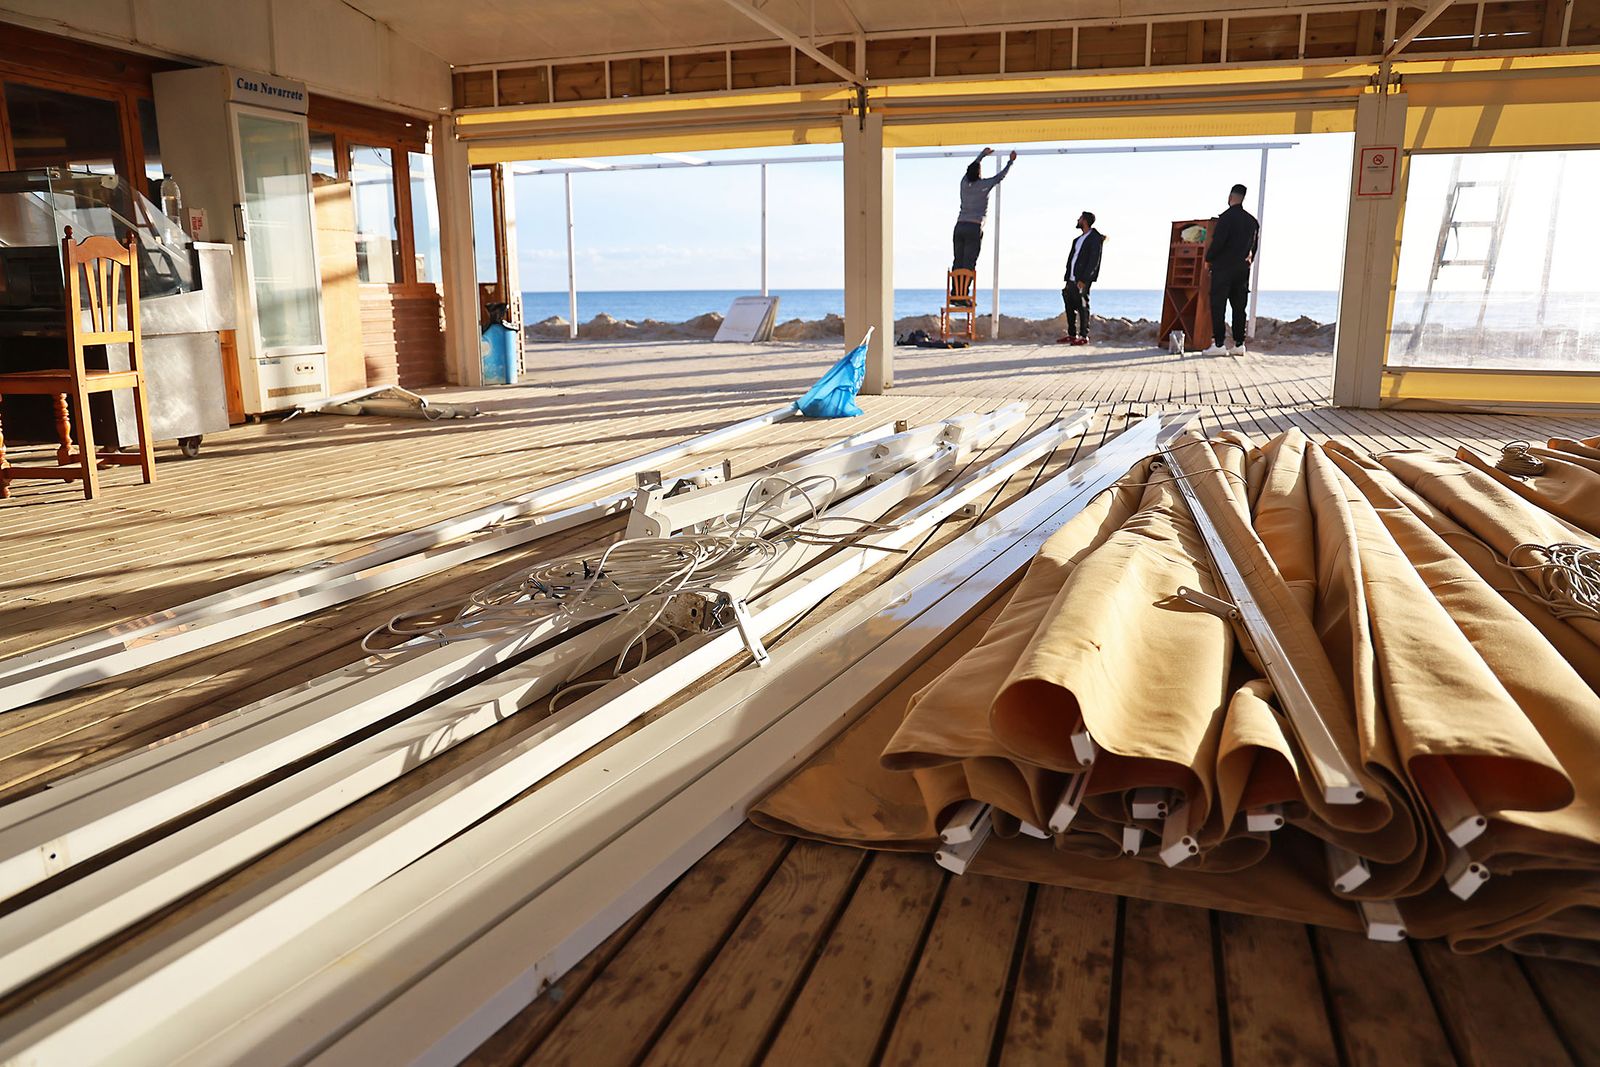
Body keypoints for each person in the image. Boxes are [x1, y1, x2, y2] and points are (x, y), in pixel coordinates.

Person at [1203, 183, 1260, 356]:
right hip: (1242, 270)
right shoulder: (1252, 222)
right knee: (1239, 307)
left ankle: (1219, 344)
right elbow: (1254, 247)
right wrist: (1248, 261)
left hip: (1223, 268)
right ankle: (1239, 344)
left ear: (1230, 197)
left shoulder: (1226, 218)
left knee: (1218, 305)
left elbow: (1218, 242)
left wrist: (1208, 259)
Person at [951, 147, 1016, 279]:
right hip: (973, 227)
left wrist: (982, 155)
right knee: (969, 262)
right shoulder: (984, 185)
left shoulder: (963, 183)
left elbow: (972, 168)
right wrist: (1010, 162)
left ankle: (956, 289)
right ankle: (964, 290)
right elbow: (1000, 177)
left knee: (958, 261)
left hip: (960, 226)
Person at [1057, 211, 1104, 346]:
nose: (1078, 220)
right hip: (1071, 278)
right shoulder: (1077, 240)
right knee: (1069, 304)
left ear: (1085, 221)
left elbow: (1094, 261)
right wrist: (1067, 278)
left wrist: (1084, 279)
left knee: (1083, 306)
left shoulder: (1095, 238)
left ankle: (1084, 336)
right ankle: (1072, 335)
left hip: (1082, 279)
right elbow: (1072, 259)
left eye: (1080, 218)